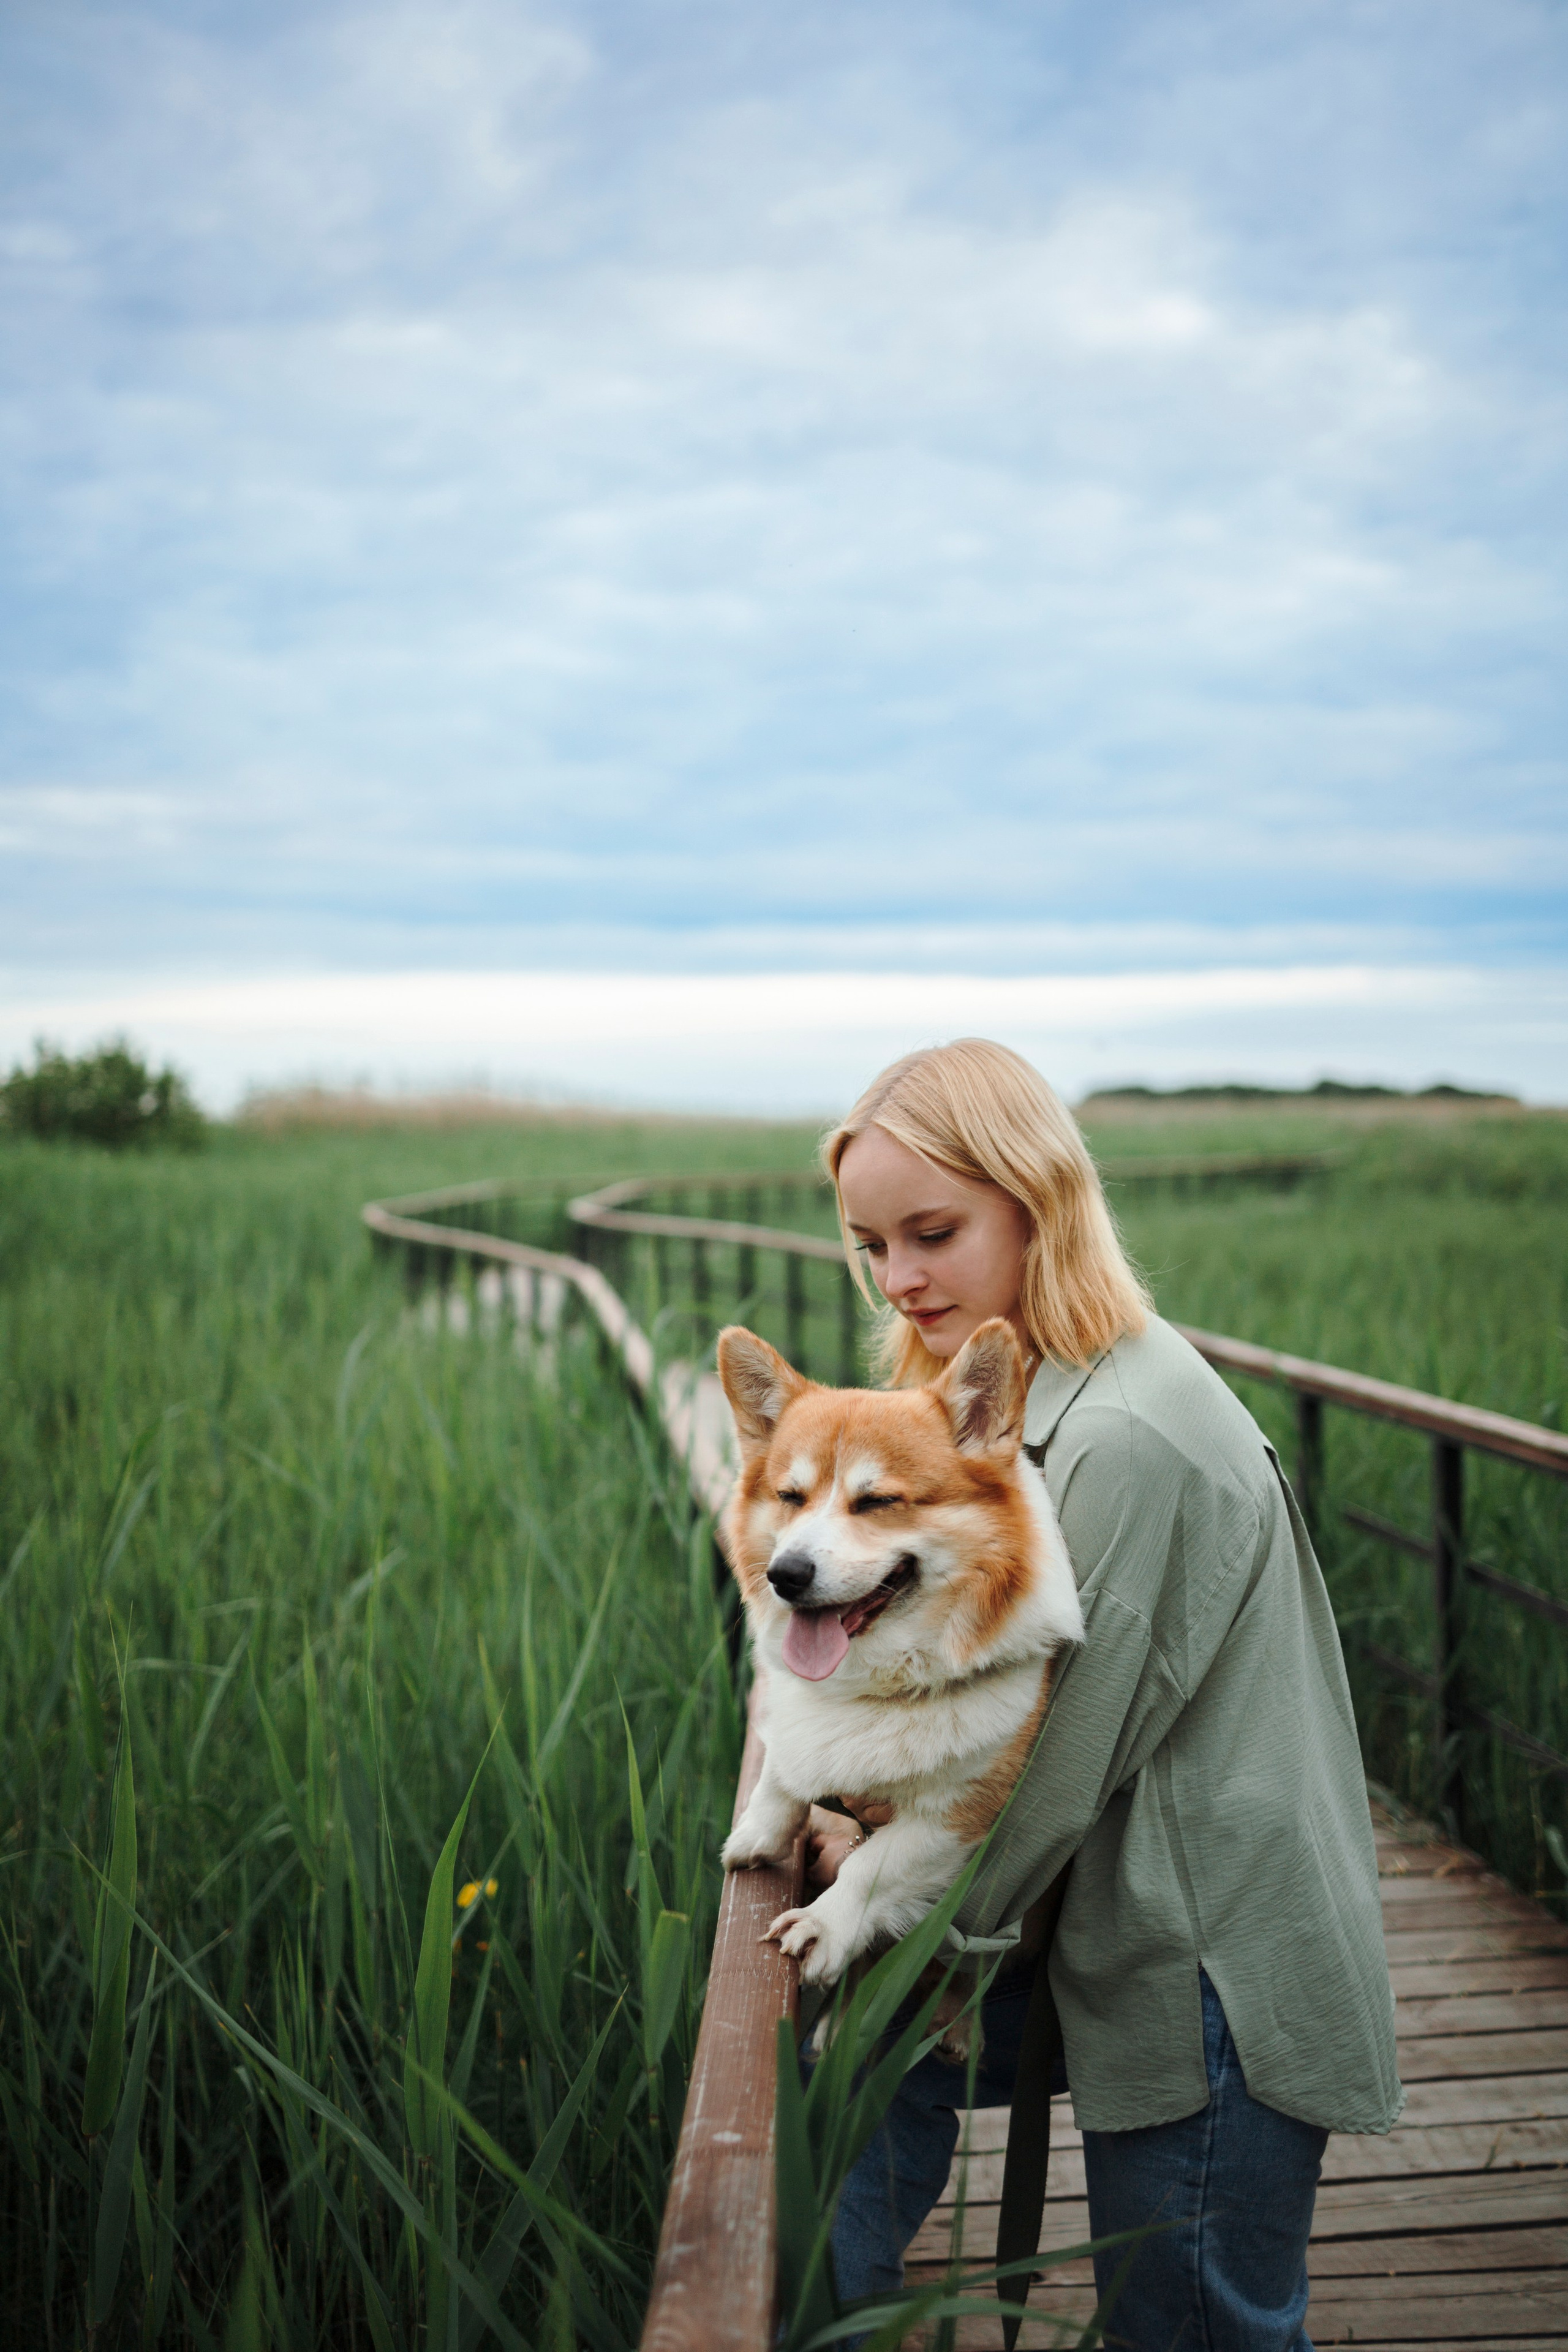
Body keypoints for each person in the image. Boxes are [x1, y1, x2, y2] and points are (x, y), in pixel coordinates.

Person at [802, 1038, 1401, 2352]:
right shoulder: (1038, 1391)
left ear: (1037, 1200)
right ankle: (786, 2300)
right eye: (870, 1245)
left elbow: (1041, 1767)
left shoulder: (1124, 1435)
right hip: (1115, 1906)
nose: (898, 1281)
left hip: (1210, 1964)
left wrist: (896, 1908)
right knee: (842, 2111)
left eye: (932, 1232)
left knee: (1192, 2330)